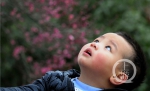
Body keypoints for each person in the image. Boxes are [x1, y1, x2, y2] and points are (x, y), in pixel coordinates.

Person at [0, 32, 146, 91]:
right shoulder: (53, 81)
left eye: (108, 48)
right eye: (97, 40)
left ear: (119, 76)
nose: (94, 44)